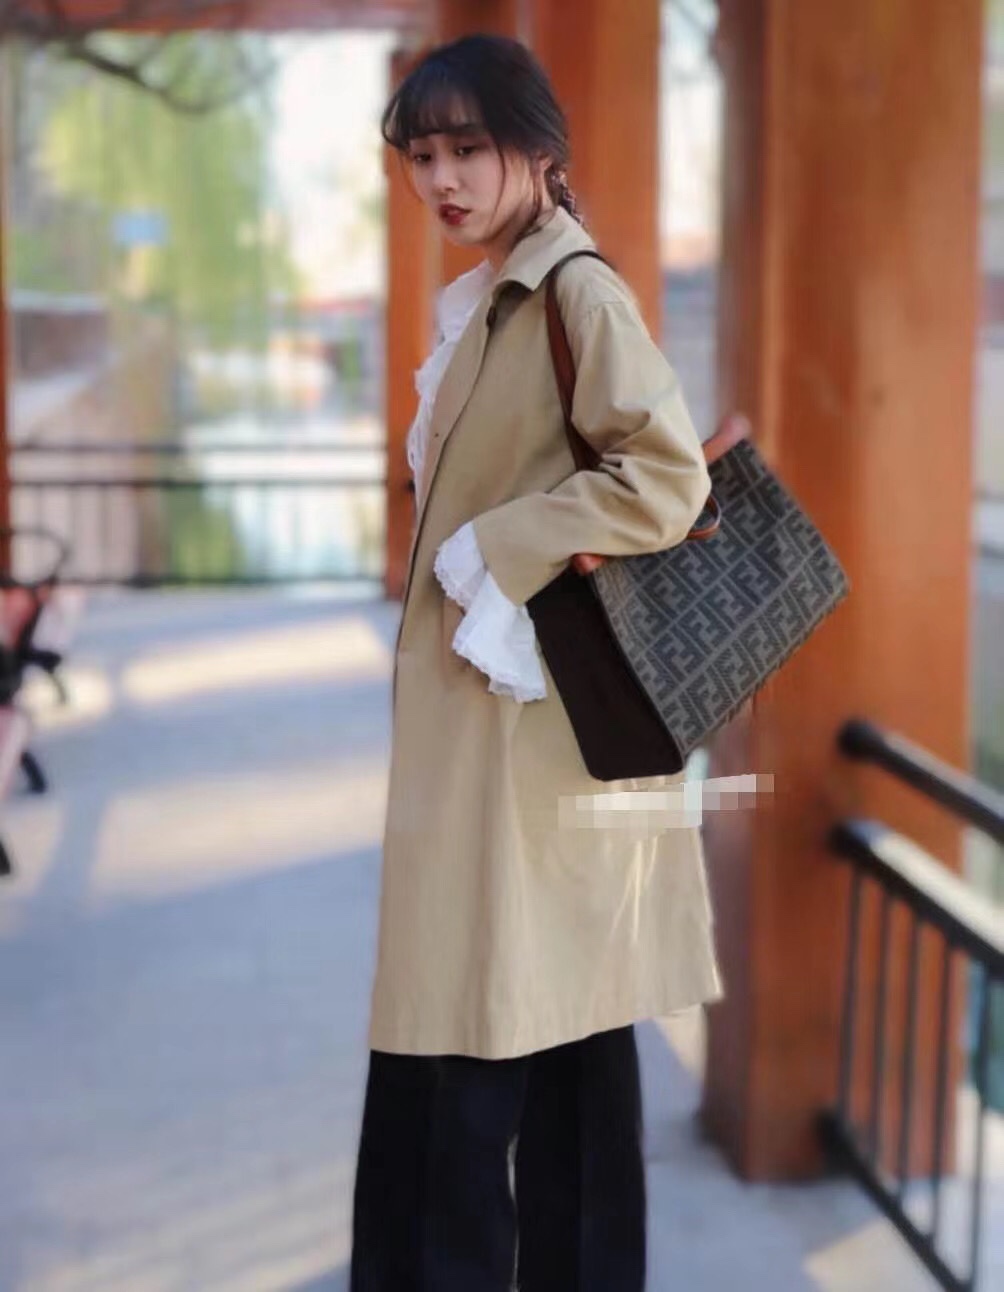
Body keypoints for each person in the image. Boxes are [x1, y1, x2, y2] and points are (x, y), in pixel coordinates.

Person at [350, 33, 723, 1292]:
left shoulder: (572, 292)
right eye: (422, 155)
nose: (440, 179)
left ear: (537, 150)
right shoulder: (496, 297)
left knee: (484, 1045)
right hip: (500, 735)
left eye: (467, 148)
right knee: (548, 1035)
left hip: (536, 748)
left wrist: (496, 544)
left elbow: (665, 478)